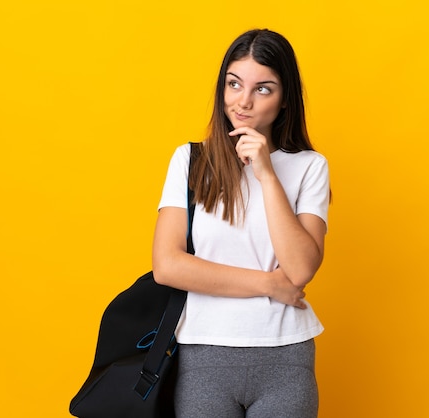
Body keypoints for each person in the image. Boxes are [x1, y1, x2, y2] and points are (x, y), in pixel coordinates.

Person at [152, 28, 330, 418]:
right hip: (204, 356)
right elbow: (167, 265)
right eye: (234, 84)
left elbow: (299, 269)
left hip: (285, 358)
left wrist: (267, 175)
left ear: (285, 100)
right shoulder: (190, 160)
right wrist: (268, 284)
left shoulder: (309, 167)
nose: (243, 101)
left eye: (263, 89)